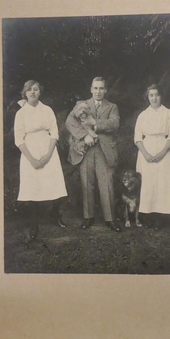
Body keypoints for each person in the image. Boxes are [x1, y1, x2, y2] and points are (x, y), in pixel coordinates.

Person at [66, 77, 121, 232]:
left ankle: (110, 219)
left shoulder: (112, 107)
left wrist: (95, 124)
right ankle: (88, 217)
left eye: (101, 88)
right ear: (91, 89)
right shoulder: (81, 105)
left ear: (106, 90)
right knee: (87, 183)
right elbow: (70, 122)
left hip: (105, 150)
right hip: (86, 150)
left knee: (107, 184)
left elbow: (114, 124)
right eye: (95, 88)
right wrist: (85, 136)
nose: (98, 91)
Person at [14, 80, 68, 239]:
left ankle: (55, 214)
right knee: (32, 188)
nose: (32, 92)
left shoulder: (47, 110)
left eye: (35, 89)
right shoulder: (21, 113)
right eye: (29, 90)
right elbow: (18, 139)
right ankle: (34, 224)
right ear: (25, 93)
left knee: (55, 185)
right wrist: (32, 159)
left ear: (40, 92)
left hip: (48, 150)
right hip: (30, 151)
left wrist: (49, 154)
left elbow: (54, 133)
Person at [134, 84, 170, 229]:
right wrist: (146, 154)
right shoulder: (143, 115)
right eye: (151, 95)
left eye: (157, 95)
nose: (154, 98)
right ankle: (146, 215)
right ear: (147, 97)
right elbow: (137, 137)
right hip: (146, 150)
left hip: (164, 150)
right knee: (148, 184)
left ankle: (160, 217)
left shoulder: (168, 114)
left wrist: (162, 153)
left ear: (161, 96)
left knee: (162, 184)